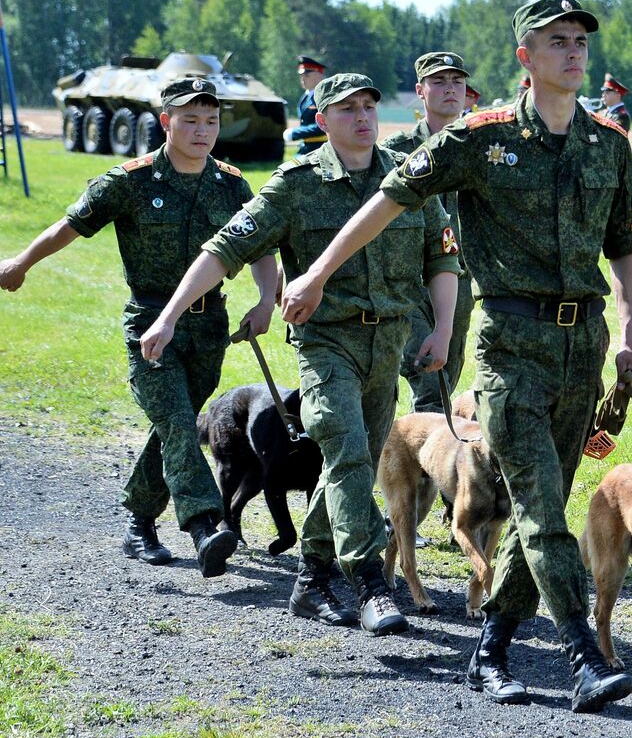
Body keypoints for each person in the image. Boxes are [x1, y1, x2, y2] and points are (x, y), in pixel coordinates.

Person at [274, 0, 632, 715]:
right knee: (540, 507)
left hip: (584, 347)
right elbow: (386, 198)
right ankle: (581, 652)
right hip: (510, 348)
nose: (574, 52)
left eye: (580, 41)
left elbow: (626, 244)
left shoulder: (608, 142)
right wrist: (317, 272)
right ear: (524, 57)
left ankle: (491, 649)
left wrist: (631, 326)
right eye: (556, 40)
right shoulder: (481, 138)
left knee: (543, 504)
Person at [141, 73, 460, 637]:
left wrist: (442, 327)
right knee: (348, 449)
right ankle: (367, 581)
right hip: (326, 342)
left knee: (345, 464)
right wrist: (168, 315)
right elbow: (225, 250)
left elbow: (442, 256)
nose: (363, 117)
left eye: (369, 105)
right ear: (320, 117)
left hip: (389, 344)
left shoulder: (408, 175)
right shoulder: (295, 184)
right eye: (347, 109)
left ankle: (311, 577)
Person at [0, 78, 279, 576]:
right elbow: (70, 225)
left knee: (176, 421)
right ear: (166, 121)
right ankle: (204, 525)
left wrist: (264, 297)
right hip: (150, 321)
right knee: (176, 420)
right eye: (189, 120)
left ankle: (138, 518)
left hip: (208, 324)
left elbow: (257, 244)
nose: (202, 131)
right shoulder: (130, 180)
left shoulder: (231, 184)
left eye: (210, 120)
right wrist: (22, 261)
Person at [383, 51, 476, 414]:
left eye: (457, 81)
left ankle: (409, 452)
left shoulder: (483, 147)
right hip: (409, 280)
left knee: (447, 375)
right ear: (421, 91)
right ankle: (422, 465)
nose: (449, 89)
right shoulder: (396, 151)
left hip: (462, 280)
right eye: (438, 82)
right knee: (430, 381)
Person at [285, 56, 328, 155]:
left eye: (307, 75)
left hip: (321, 148)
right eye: (301, 76)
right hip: (306, 148)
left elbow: (323, 125)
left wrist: (295, 133)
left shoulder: (324, 96)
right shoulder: (305, 97)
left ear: (319, 75)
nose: (302, 79)